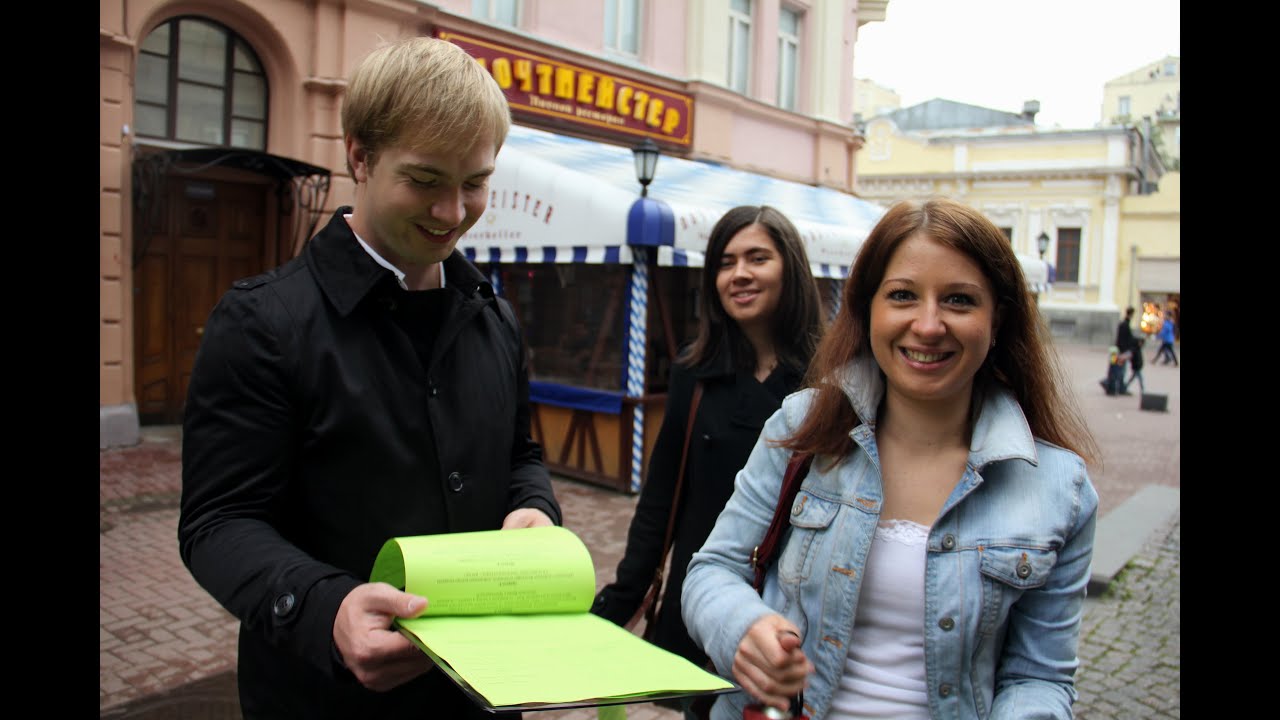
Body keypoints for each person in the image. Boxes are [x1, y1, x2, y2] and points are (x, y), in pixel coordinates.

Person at [177, 37, 561, 719]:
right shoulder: (261, 323)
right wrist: (325, 608)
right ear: (359, 154)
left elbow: (519, 455)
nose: (452, 213)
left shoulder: (494, 317)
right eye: (424, 180)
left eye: (473, 183)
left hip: (483, 693)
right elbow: (220, 521)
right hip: (324, 698)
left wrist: (534, 508)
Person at [682, 196, 1101, 720]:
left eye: (959, 300)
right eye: (902, 295)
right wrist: (743, 626)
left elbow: (1039, 676)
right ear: (868, 311)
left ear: (998, 321)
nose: (927, 326)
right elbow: (711, 570)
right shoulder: (802, 428)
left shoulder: (1059, 488)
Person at [591, 206, 824, 719]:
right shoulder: (695, 374)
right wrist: (619, 603)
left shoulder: (829, 381)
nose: (739, 273)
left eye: (757, 258)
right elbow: (661, 499)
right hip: (705, 597)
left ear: (791, 269)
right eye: (725, 261)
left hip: (795, 611)